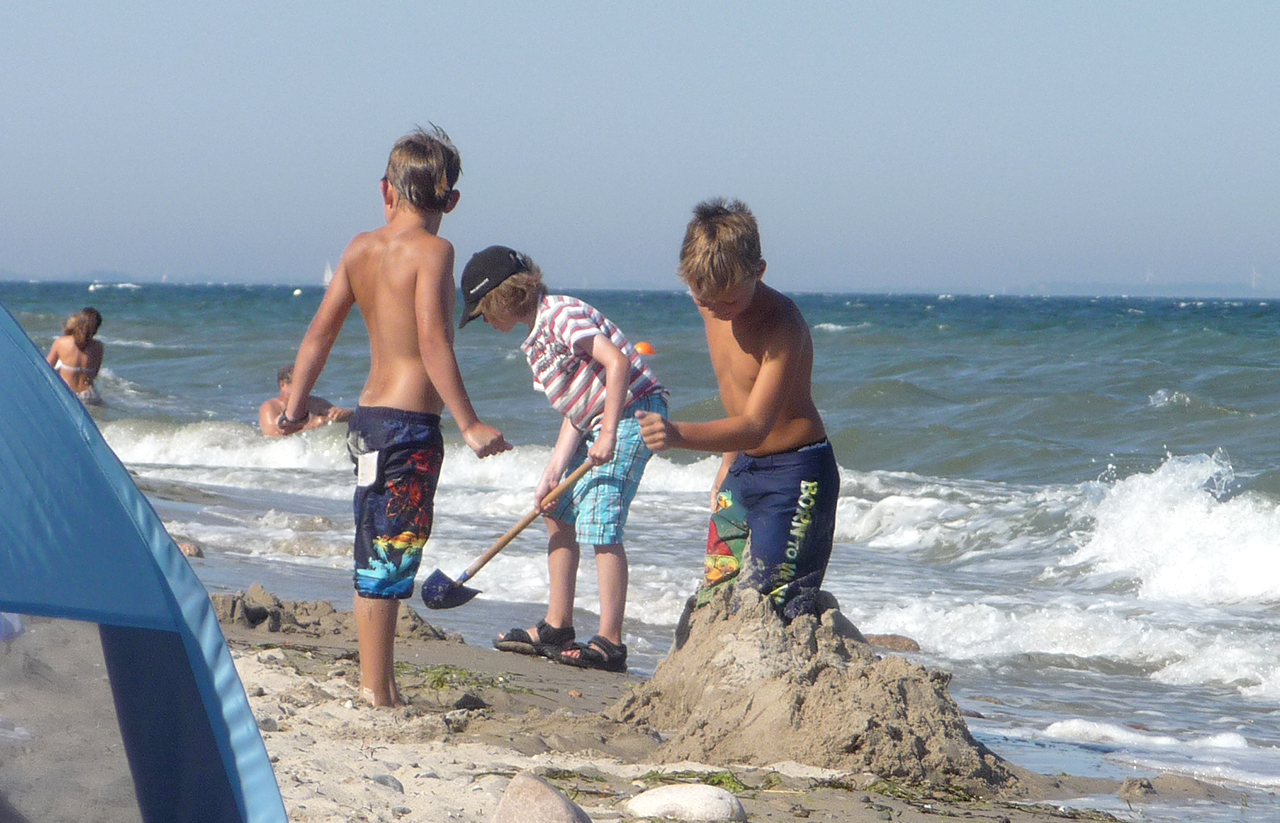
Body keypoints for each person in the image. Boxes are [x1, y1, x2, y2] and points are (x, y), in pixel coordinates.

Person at [277, 126, 511, 706]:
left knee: (375, 549)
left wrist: (294, 404)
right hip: (408, 428)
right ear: (451, 201)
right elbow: (435, 342)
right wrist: (470, 423)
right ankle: (373, 691)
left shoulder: (360, 249)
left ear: (386, 191)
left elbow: (318, 335)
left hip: (367, 423)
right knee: (391, 554)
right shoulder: (435, 251)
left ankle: (379, 683)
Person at [461, 246, 667, 673]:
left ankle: (610, 641)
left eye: (483, 310)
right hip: (595, 421)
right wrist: (552, 473)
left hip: (633, 411)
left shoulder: (560, 315)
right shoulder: (534, 344)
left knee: (601, 517)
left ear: (503, 296)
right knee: (556, 508)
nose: (485, 321)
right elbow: (575, 411)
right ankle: (558, 625)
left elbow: (616, 363)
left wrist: (609, 431)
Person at [637, 198, 840, 621]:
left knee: (772, 607)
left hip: (796, 477)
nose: (714, 308)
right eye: (702, 296)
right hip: (742, 469)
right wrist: (728, 464)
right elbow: (733, 389)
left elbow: (755, 424)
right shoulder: (711, 299)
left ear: (758, 272)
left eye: (726, 301)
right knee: (718, 594)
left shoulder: (782, 325)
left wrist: (677, 435)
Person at [258, 364, 353, 436]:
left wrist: (344, 415)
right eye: (298, 384)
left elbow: (342, 414)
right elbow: (273, 438)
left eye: (306, 383)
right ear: (283, 385)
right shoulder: (271, 407)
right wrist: (310, 427)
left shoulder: (315, 403)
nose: (305, 388)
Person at [46, 307, 105, 405]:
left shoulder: (61, 342)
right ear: (96, 328)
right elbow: (94, 374)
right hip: (89, 396)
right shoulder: (99, 347)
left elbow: (46, 368)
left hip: (67, 394)